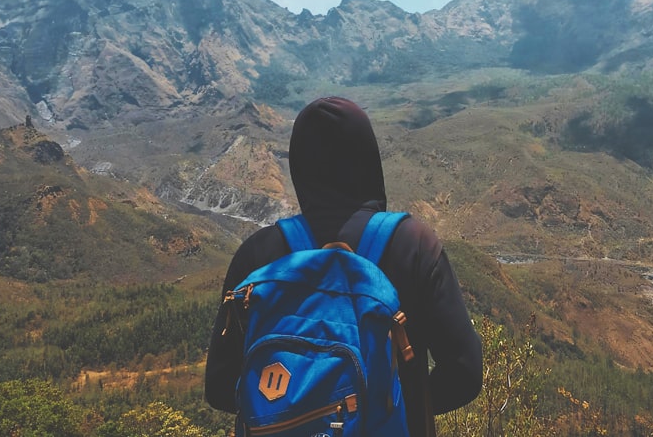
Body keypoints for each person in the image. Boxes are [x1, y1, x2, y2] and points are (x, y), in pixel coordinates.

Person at [205, 96, 483, 436]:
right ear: (366, 159)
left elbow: (219, 388)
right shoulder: (413, 245)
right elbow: (465, 374)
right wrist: (386, 407)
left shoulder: (257, 256)